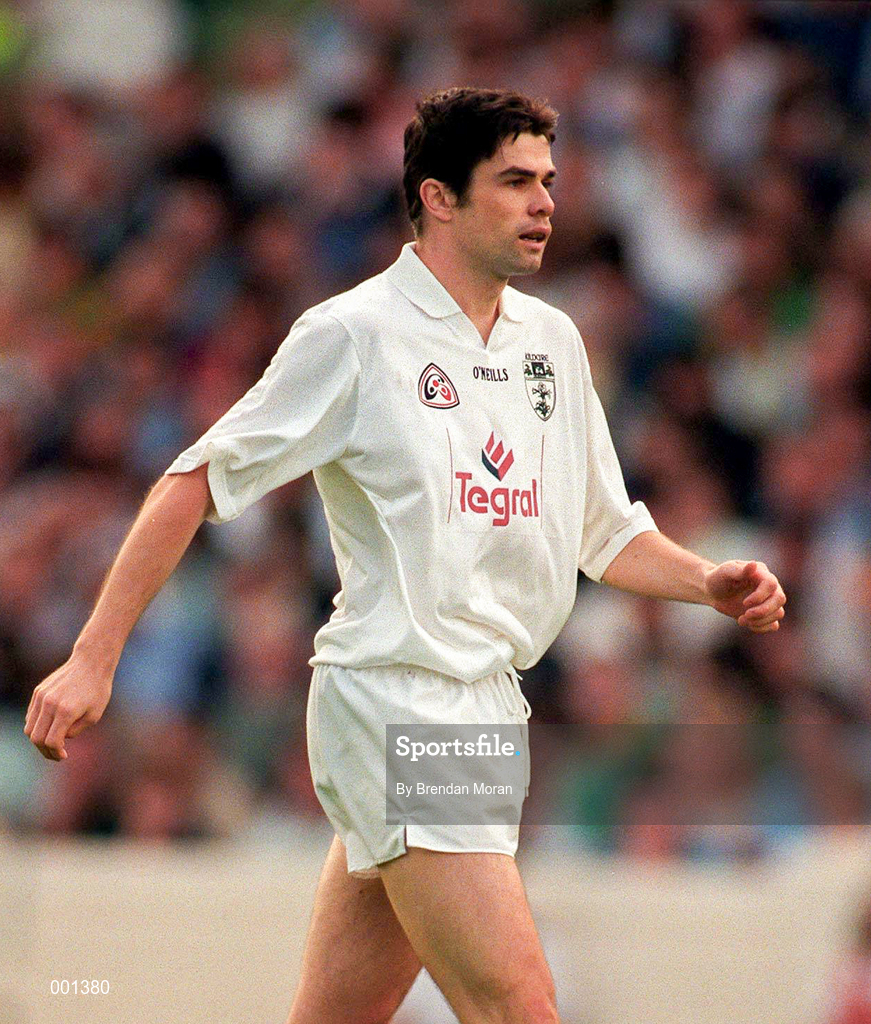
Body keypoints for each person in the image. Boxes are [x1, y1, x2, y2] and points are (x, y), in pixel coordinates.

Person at [25, 88, 787, 1024]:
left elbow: (602, 533)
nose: (545, 202)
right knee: (518, 1005)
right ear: (438, 197)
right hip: (399, 697)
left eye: (547, 180)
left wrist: (706, 581)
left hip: (486, 705)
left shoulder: (551, 343)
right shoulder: (354, 334)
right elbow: (192, 480)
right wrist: (94, 657)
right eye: (514, 181)